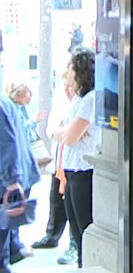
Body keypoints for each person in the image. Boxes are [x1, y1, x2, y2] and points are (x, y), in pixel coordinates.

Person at [52, 48, 97, 268]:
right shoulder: (78, 99)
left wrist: (62, 132)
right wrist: (63, 132)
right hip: (71, 169)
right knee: (76, 228)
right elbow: (62, 130)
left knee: (83, 229)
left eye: (70, 66)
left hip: (83, 170)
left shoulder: (90, 99)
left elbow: (69, 137)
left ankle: (86, 272)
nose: (66, 72)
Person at [32, 73, 76, 258]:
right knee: (55, 198)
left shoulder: (82, 101)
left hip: (74, 161)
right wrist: (64, 132)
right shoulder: (60, 100)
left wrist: (65, 132)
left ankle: (74, 243)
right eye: (64, 84)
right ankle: (52, 235)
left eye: (69, 85)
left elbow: (76, 133)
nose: (66, 89)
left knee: (73, 203)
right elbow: (52, 129)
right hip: (59, 159)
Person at [1, 86, 40, 273]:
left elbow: (6, 143)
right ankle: (13, 251)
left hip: (9, 176)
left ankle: (5, 262)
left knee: (4, 222)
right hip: (13, 173)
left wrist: (11, 180)